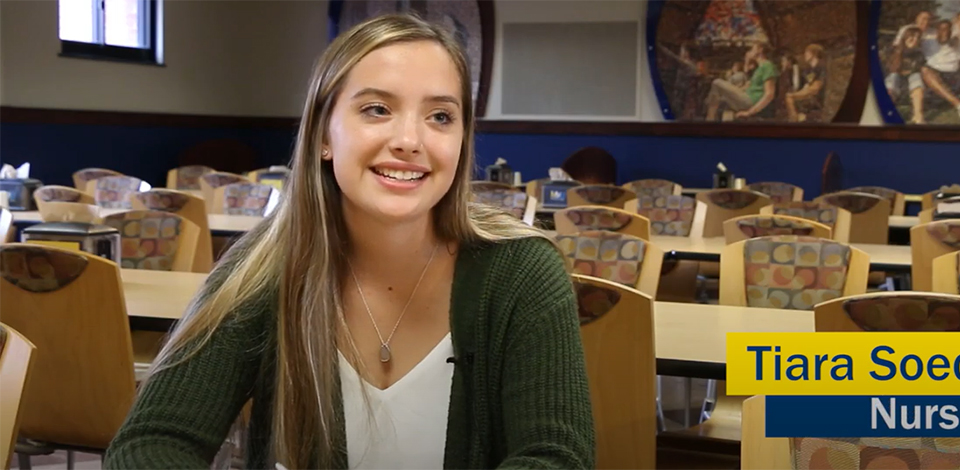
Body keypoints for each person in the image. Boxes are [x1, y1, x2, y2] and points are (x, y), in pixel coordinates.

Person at [104, 14, 595, 470]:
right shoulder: (266, 268)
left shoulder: (520, 271)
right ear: (323, 135)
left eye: (441, 117)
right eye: (377, 109)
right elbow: (150, 443)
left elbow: (556, 457)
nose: (410, 139)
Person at [705, 42, 778, 120]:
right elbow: (749, 86)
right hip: (746, 97)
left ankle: (709, 120)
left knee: (717, 83)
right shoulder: (759, 68)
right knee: (722, 101)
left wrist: (749, 112)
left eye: (752, 49)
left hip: (750, 101)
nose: (749, 52)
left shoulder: (767, 65)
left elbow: (769, 94)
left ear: (760, 50)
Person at [886, 26, 928, 123]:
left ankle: (918, 115)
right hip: (893, 81)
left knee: (916, 77)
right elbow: (890, 69)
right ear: (905, 37)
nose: (915, 40)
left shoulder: (918, 54)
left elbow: (916, 69)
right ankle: (888, 110)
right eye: (912, 36)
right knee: (893, 77)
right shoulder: (893, 50)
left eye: (918, 38)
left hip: (910, 81)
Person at [784, 44, 827, 123]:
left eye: (807, 52)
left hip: (816, 103)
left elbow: (815, 88)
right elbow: (806, 86)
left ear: (814, 54)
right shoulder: (808, 70)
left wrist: (794, 95)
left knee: (789, 98)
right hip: (807, 101)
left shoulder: (821, 68)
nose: (805, 55)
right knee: (789, 98)